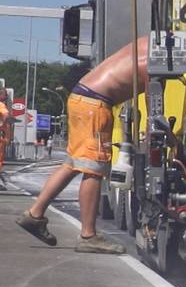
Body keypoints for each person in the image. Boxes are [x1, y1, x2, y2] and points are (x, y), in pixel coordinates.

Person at [16, 36, 149, 254]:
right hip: (95, 105)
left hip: (82, 98)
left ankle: (35, 214)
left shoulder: (143, 43)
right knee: (93, 169)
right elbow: (153, 99)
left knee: (71, 164)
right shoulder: (154, 58)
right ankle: (88, 235)